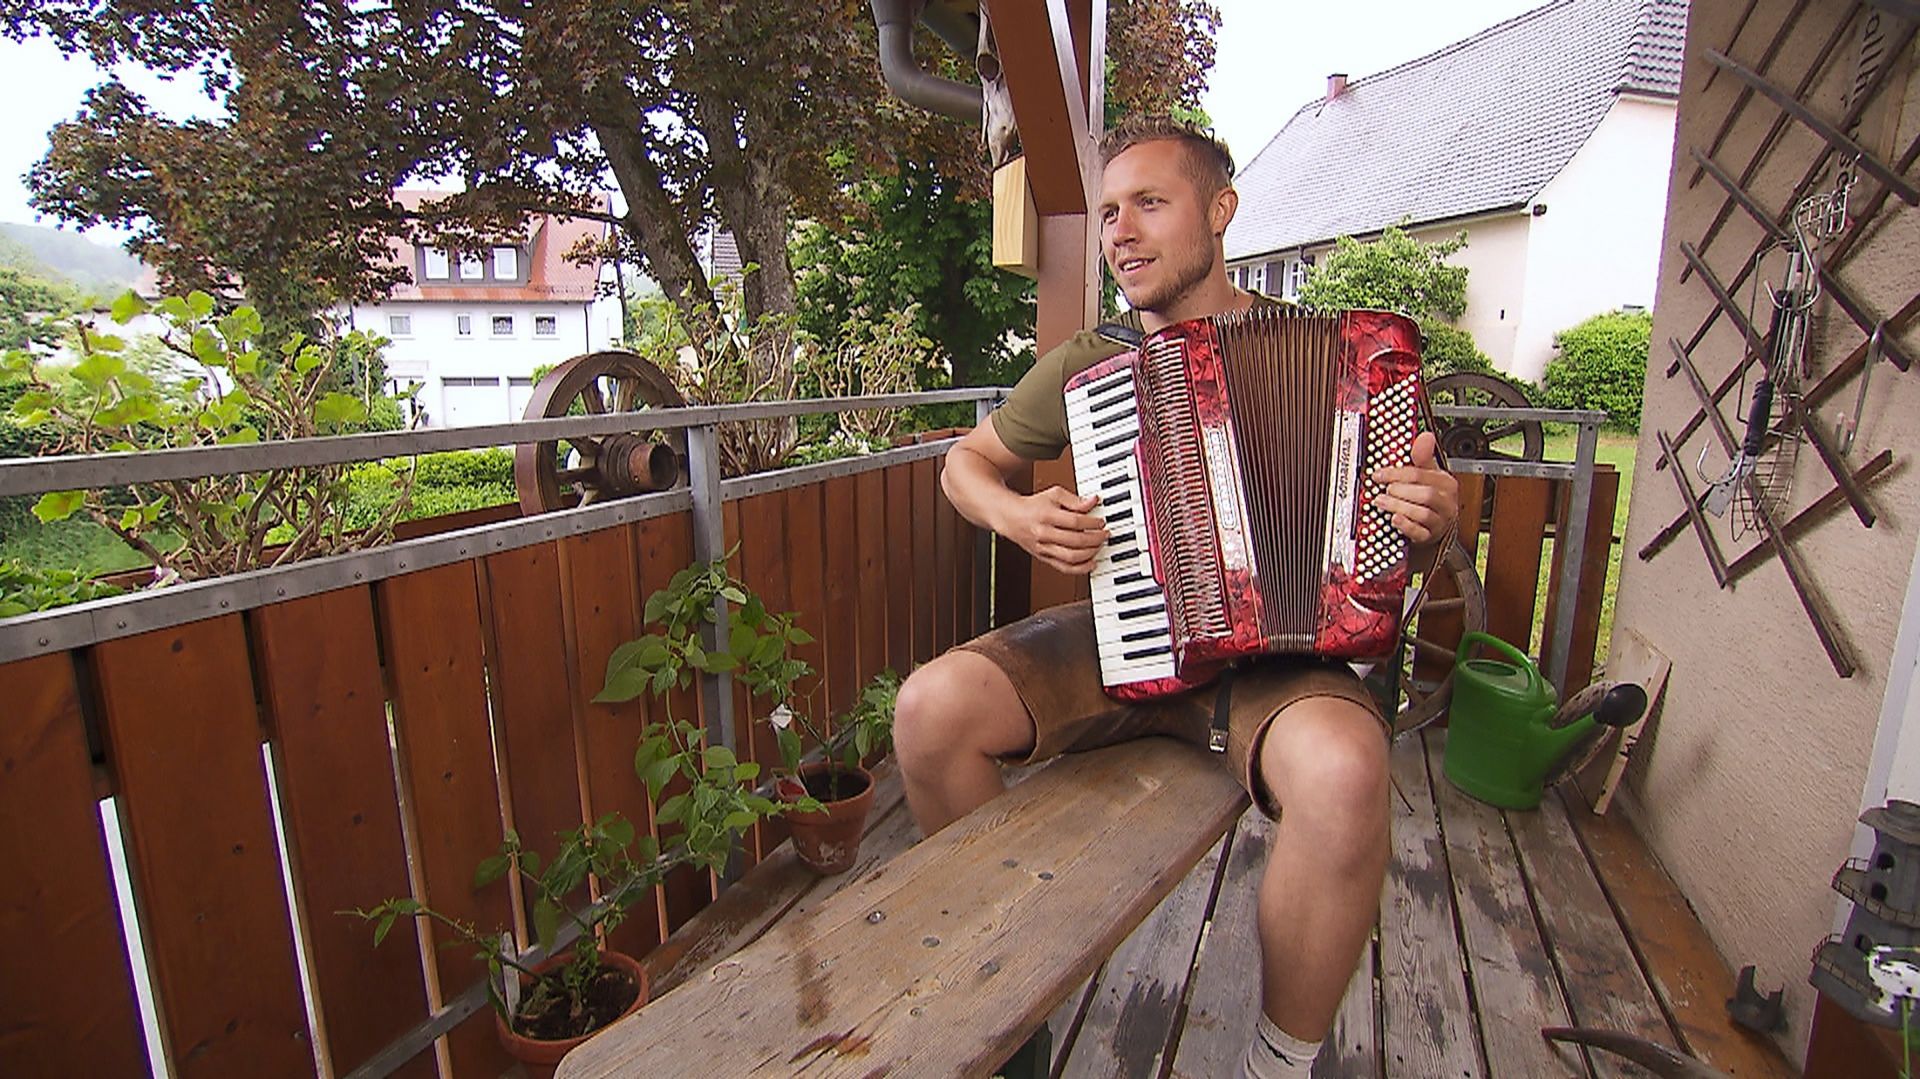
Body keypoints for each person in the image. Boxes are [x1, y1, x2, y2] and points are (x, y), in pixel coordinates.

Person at [891, 114, 1460, 1079]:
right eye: (1110, 212)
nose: (1120, 231)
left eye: (1150, 204)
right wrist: (1016, 517)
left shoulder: (1346, 358)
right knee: (929, 708)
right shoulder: (1088, 367)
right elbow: (963, 465)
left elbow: (1421, 492)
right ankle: (1011, 1021)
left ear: (1220, 211)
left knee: (1346, 773)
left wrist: (1431, 508)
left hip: (1283, 662)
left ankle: (1280, 1061)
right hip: (1127, 636)